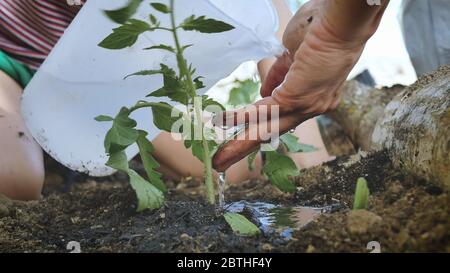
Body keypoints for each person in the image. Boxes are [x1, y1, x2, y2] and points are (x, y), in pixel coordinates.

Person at [0, 0, 332, 200]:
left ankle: (88, 136)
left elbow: (267, 13)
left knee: (228, 166)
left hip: (110, 80)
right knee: (16, 180)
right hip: (12, 50)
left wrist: (313, 163)